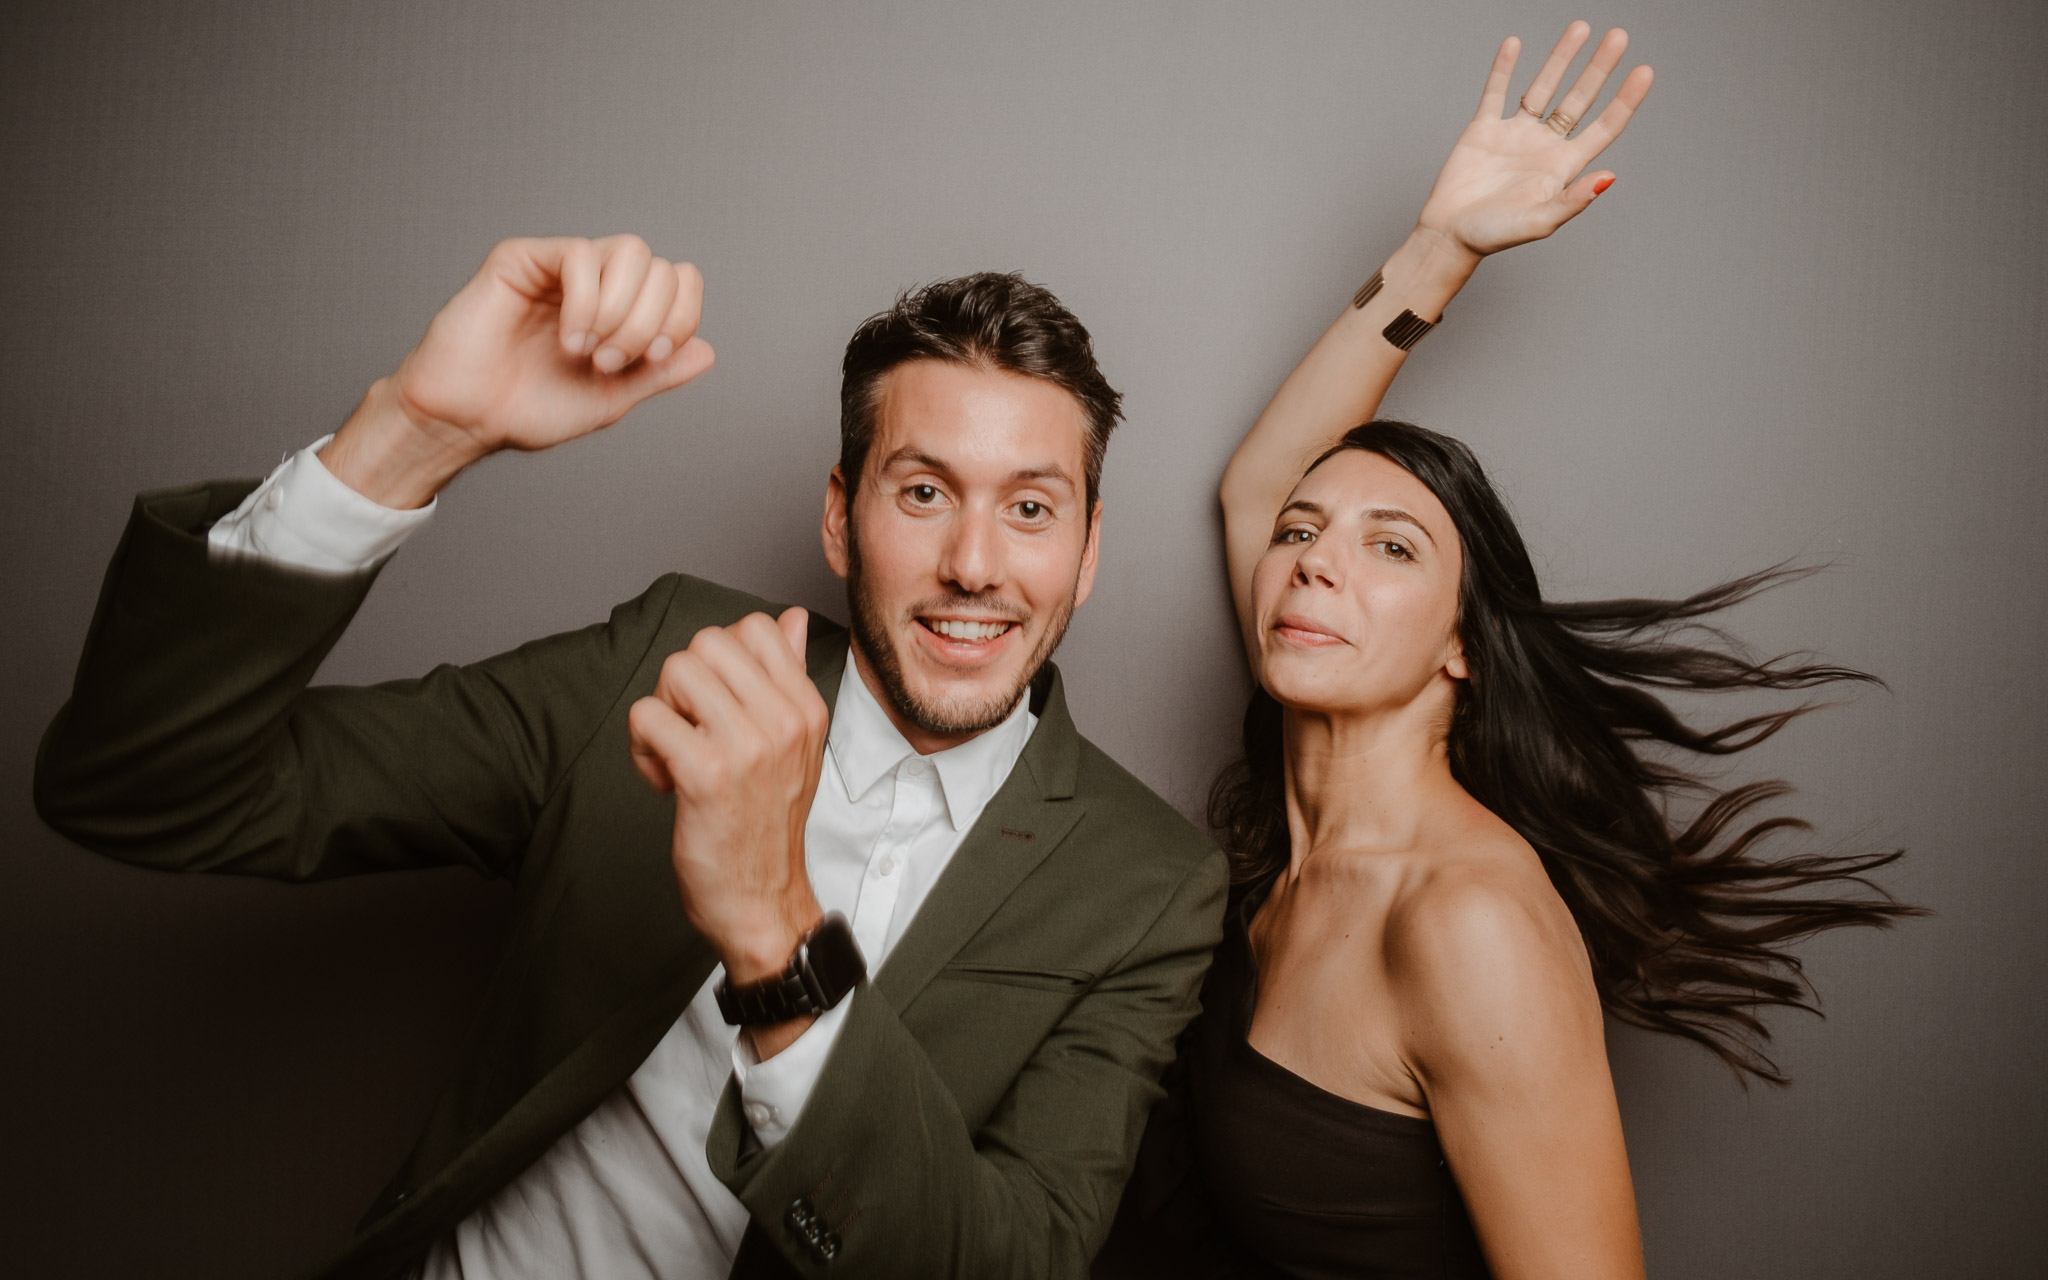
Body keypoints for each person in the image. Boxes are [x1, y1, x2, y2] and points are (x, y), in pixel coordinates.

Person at [34, 247, 1229, 1270]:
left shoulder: (1145, 881)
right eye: (922, 490)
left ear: (1084, 548)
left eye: (1030, 508)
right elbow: (147, 787)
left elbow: (1006, 1265)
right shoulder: (664, 654)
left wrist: (774, 937)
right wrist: (408, 437)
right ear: (837, 516)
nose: (976, 562)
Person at [1095, 23, 1917, 1280]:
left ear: (1461, 651)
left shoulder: (1467, 920)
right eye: (1305, 535)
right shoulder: (1298, 818)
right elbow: (1260, 477)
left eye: (1393, 548)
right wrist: (1444, 245)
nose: (1314, 558)